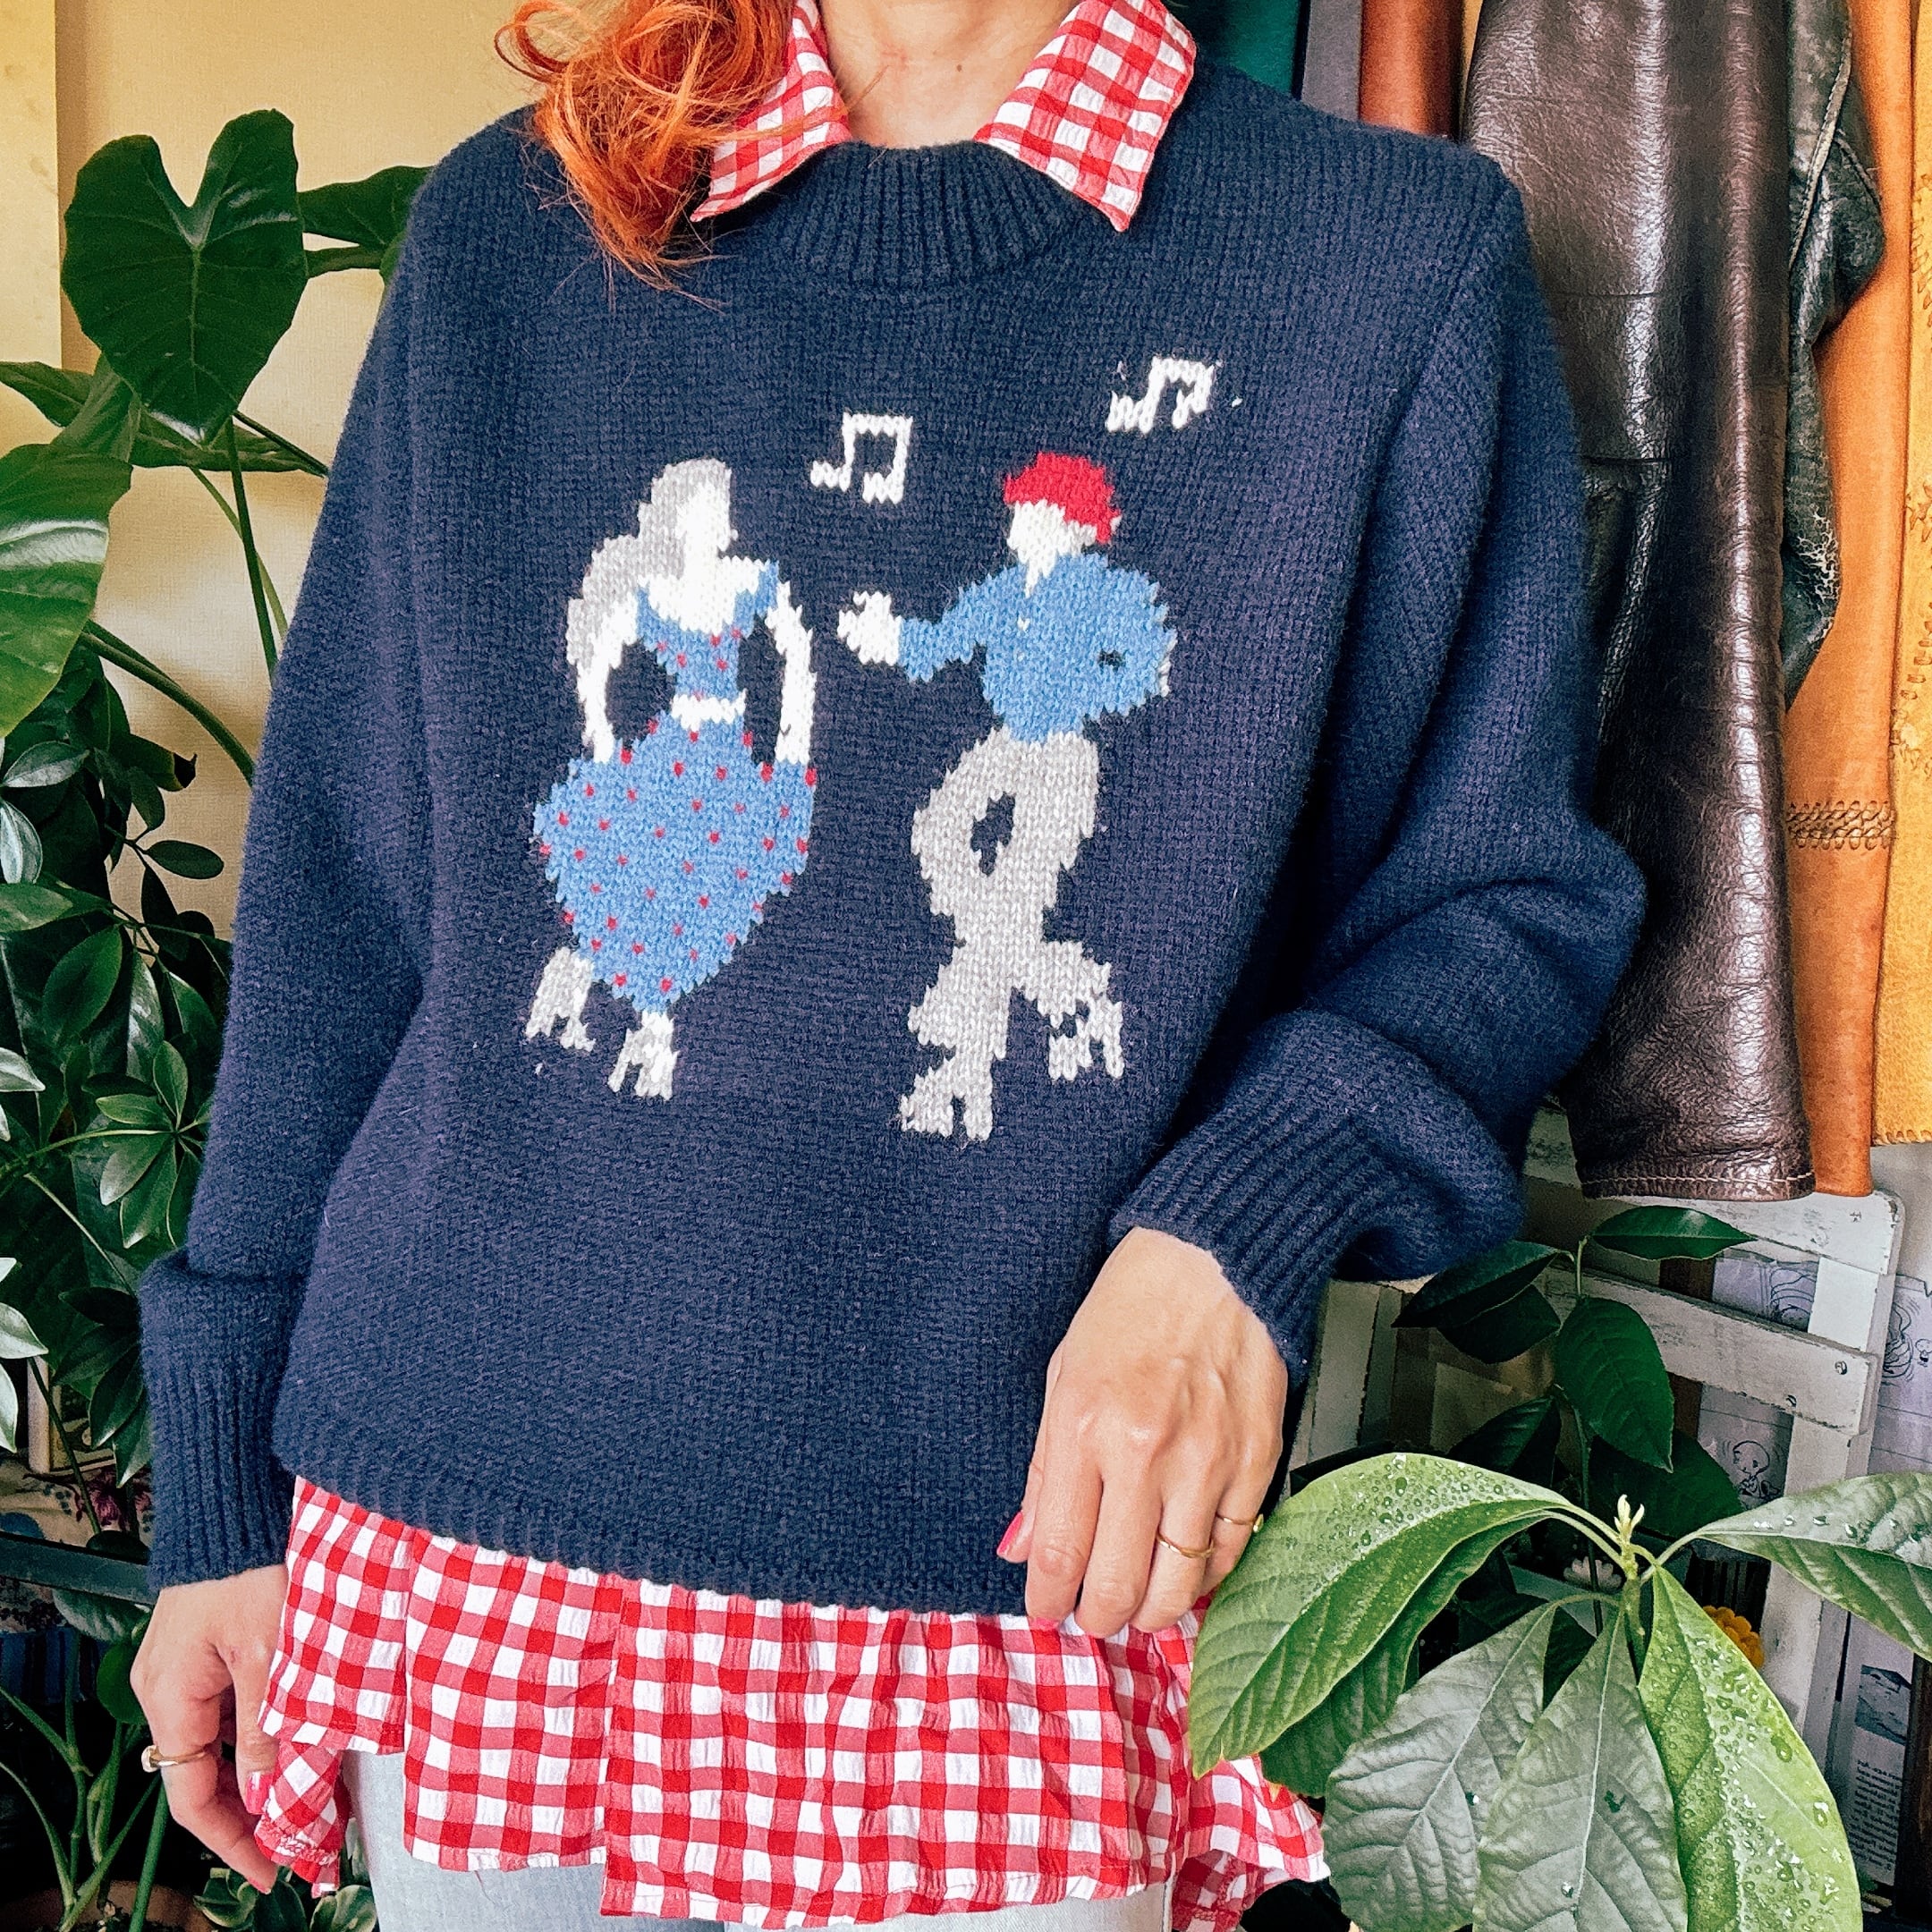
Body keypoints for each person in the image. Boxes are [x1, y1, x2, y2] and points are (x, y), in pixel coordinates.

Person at [129, 0, 1646, 1922]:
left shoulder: (1387, 259)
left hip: (1024, 1596)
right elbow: (344, 908)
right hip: (475, 1546)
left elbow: (1496, 898)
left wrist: (1228, 1234)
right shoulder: (516, 231)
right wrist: (220, 1493)